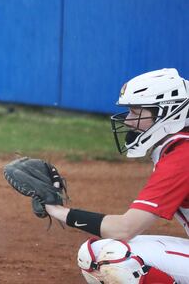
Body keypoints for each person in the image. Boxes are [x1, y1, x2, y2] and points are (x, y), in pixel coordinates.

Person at [45, 68, 189, 283]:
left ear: (168, 112)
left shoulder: (183, 156)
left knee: (114, 257)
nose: (129, 121)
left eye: (136, 112)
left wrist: (58, 211)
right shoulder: (178, 149)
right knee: (93, 254)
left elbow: (125, 228)